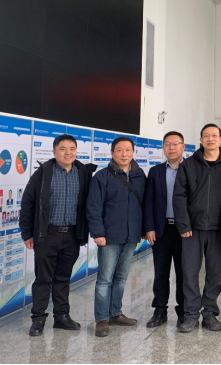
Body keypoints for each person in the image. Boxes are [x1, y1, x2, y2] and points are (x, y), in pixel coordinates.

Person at [20, 134, 96, 337]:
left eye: (72, 149)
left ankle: (61, 317)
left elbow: (89, 205)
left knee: (63, 277)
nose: (68, 153)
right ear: (54, 152)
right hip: (47, 235)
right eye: (63, 149)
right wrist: (27, 233)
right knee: (43, 278)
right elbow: (28, 203)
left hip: (72, 235)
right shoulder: (43, 173)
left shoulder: (83, 174)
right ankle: (38, 319)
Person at [173, 124, 221, 333]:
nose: (210, 139)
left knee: (214, 273)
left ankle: (210, 312)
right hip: (192, 229)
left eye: (214, 135)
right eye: (206, 136)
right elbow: (179, 196)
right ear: (201, 140)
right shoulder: (188, 164)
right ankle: (191, 314)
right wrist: (184, 224)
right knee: (189, 273)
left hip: (219, 229)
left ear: (220, 139)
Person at [87, 137, 146, 338]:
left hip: (131, 235)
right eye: (119, 150)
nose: (124, 154)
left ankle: (115, 313)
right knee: (105, 279)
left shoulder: (139, 175)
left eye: (128, 150)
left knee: (121, 278)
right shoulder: (102, 176)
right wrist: (98, 233)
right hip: (109, 236)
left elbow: (144, 204)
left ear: (133, 152)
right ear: (112, 153)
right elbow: (93, 206)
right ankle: (102, 319)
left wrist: (144, 229)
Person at [143, 131, 187, 329]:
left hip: (184, 231)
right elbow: (149, 201)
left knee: (183, 273)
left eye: (175, 144)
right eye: (167, 144)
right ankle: (159, 310)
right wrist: (149, 228)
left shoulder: (191, 169)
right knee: (161, 272)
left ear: (183, 147)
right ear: (163, 148)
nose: (171, 147)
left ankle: (183, 311)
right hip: (161, 230)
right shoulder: (156, 171)